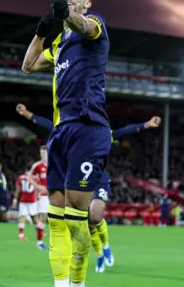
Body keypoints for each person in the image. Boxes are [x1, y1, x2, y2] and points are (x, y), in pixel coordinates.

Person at [21, 0, 111, 287]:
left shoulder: (95, 25)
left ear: (87, 1)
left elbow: (84, 26)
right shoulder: (58, 43)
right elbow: (28, 66)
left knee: (77, 209)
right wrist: (43, 32)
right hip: (60, 133)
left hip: (89, 127)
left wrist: (68, 14)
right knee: (55, 214)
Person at [16, 103, 161, 272]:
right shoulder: (65, 130)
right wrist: (26, 113)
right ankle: (99, 255)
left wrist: (146, 125)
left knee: (96, 214)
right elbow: (43, 122)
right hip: (76, 180)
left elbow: (123, 132)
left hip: (98, 178)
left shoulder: (101, 133)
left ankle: (106, 247)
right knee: (88, 222)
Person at [13, 161, 48, 249]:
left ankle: (21, 234)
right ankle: (40, 231)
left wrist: (15, 199)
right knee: (36, 217)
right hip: (32, 201)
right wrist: (38, 197)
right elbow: (37, 189)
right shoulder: (35, 178)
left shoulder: (21, 177)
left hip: (22, 200)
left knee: (22, 216)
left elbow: (18, 189)